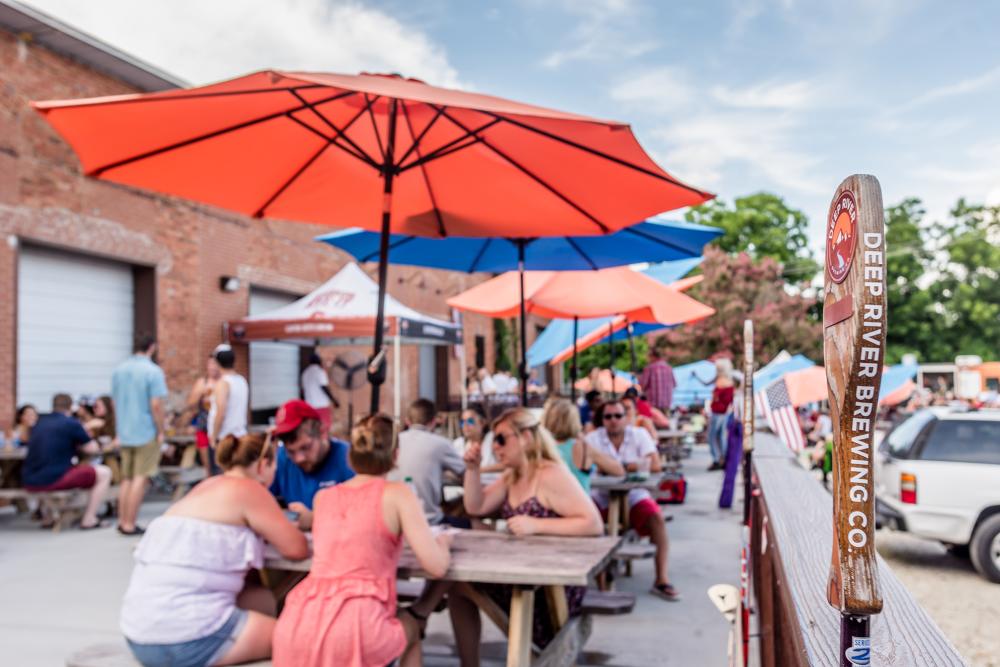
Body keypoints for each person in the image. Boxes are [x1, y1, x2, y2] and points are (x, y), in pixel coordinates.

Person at [272, 414, 452, 667]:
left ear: (351, 455)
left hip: (300, 618)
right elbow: (437, 567)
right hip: (359, 622)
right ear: (395, 455)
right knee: (412, 625)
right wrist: (444, 543)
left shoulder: (323, 498)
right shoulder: (397, 494)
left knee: (399, 618)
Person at [120, 432, 308, 667]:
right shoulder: (250, 489)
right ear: (263, 465)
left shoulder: (202, 489)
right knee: (303, 640)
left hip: (138, 634)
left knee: (260, 597)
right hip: (187, 639)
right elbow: (297, 549)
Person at [438, 408, 603, 661]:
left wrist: (537, 525)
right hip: (521, 571)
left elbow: (593, 524)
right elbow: (476, 507)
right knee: (457, 580)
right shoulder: (512, 476)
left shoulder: (550, 474)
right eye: (494, 440)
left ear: (526, 437)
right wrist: (472, 469)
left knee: (458, 580)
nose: (496, 447)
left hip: (550, 586)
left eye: (502, 439)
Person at [585, 398, 679, 601]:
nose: (613, 420)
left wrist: (621, 467)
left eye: (618, 415)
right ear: (602, 419)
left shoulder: (638, 434)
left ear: (626, 418)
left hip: (635, 495)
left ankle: (661, 578)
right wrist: (635, 465)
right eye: (608, 416)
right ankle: (602, 582)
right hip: (601, 496)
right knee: (590, 525)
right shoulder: (593, 438)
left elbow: (654, 465)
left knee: (656, 519)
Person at [21, 393, 112, 530]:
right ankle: (89, 519)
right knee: (104, 472)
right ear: (70, 407)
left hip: (29, 479)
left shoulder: (38, 423)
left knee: (52, 467)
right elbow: (92, 448)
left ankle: (48, 517)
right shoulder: (71, 423)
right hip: (54, 480)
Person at [111, 335, 169, 536]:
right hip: (145, 431)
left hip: (125, 431)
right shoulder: (153, 371)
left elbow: (115, 403)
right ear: (152, 348)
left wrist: (118, 429)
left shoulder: (119, 370)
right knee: (140, 477)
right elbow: (156, 404)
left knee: (126, 478)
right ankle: (129, 523)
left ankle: (122, 520)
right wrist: (161, 430)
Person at [269, 399, 354, 529]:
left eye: (306, 447)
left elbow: (367, 517)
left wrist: (315, 519)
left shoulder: (350, 459)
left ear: (323, 432)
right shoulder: (281, 458)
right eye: (291, 451)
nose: (298, 459)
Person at [392, 399, 467, 526]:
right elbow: (466, 473)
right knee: (478, 524)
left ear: (407, 421)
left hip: (393, 519)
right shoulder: (440, 443)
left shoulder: (393, 442)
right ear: (433, 421)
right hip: (428, 521)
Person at [543, 397, 623, 491]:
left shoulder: (540, 448)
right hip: (579, 504)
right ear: (574, 420)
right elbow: (619, 470)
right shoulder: (582, 447)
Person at [209, 346, 249, 448]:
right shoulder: (241, 380)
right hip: (240, 435)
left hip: (225, 439)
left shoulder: (223, 383)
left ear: (217, 363)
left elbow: (221, 412)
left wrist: (214, 437)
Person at [700, 358, 735, 471]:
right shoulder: (723, 380)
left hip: (719, 413)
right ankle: (722, 459)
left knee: (712, 436)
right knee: (720, 436)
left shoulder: (724, 382)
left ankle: (717, 459)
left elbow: (725, 401)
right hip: (720, 412)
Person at [451, 405, 501, 473]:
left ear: (482, 423)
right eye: (462, 422)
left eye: (470, 421)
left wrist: (476, 471)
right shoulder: (458, 443)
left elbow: (507, 464)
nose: (465, 425)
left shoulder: (493, 439)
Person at [300, 352, 339, 435]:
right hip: (321, 406)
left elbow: (303, 391)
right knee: (324, 429)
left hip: (309, 406)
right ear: (319, 361)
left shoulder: (305, 373)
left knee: (313, 430)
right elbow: (324, 388)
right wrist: (334, 400)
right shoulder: (320, 372)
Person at [639, 348, 677, 414]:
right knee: (664, 422)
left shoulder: (649, 368)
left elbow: (642, 385)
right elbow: (674, 384)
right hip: (666, 404)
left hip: (653, 404)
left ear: (653, 356)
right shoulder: (668, 367)